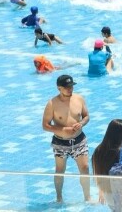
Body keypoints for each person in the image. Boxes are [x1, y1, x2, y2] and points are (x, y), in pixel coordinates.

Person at [41, 74, 91, 203]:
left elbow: (86, 116)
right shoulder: (52, 103)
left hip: (79, 140)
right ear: (59, 88)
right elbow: (45, 126)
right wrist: (63, 130)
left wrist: (81, 123)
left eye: (71, 86)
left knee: (85, 168)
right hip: (60, 142)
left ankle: (87, 197)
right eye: (67, 87)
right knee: (60, 170)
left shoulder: (79, 99)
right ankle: (59, 197)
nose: (70, 89)